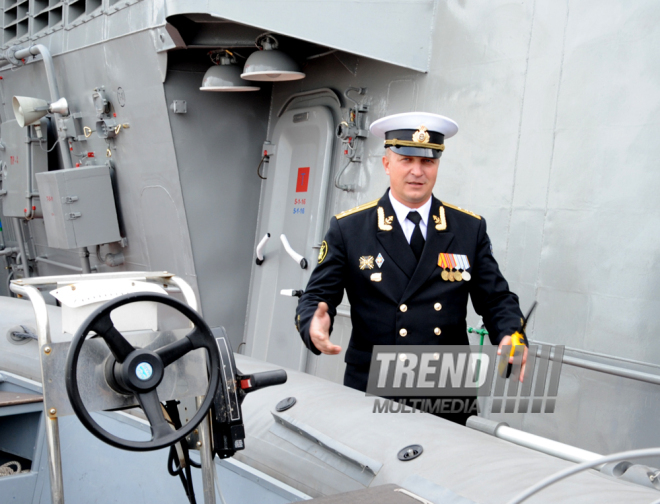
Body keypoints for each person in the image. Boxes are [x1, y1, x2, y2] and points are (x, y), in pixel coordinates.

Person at [295, 112, 525, 425]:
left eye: (428, 162)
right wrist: (313, 323)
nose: (417, 171)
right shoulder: (349, 229)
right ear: (387, 163)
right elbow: (317, 296)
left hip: (446, 392)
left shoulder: (468, 229)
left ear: (438, 165)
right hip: (373, 390)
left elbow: (496, 299)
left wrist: (511, 332)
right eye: (406, 159)